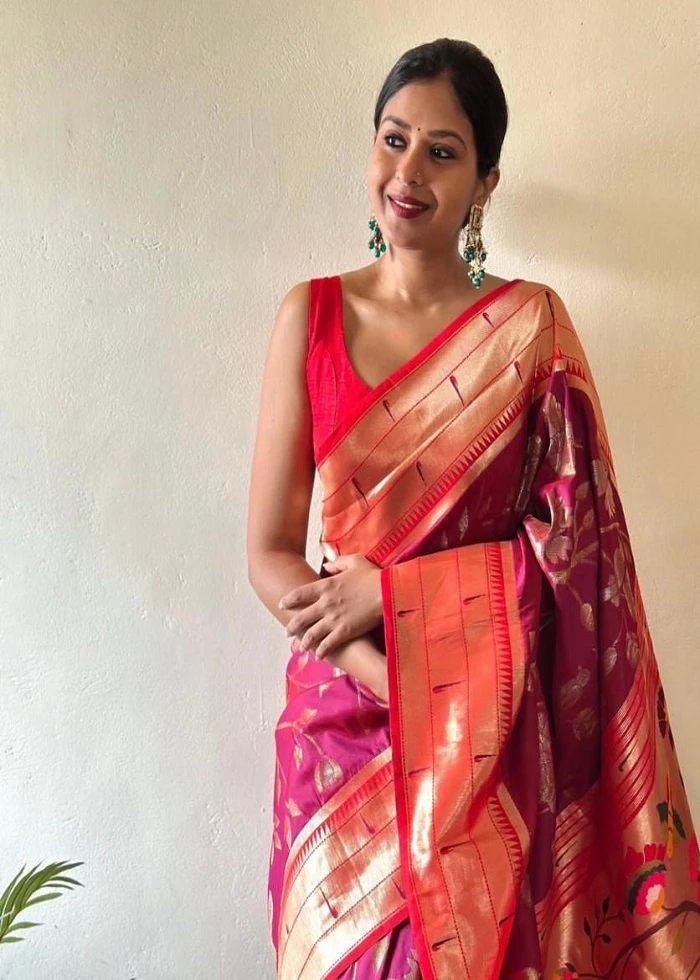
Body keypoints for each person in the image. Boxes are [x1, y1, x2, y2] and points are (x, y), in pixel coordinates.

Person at [246, 38, 700, 980]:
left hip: (482, 740)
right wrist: (386, 677)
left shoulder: (531, 330)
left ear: (485, 182)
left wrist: (391, 597)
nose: (408, 171)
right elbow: (270, 552)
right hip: (340, 734)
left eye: (442, 151)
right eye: (393, 139)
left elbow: (580, 560)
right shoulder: (309, 315)